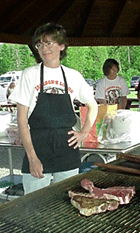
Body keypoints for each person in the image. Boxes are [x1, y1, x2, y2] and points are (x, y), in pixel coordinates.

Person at [9, 22, 98, 195]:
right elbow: (22, 120)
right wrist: (32, 157)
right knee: (35, 205)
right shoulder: (30, 74)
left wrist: (84, 132)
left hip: (67, 150)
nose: (44, 48)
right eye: (40, 44)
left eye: (49, 43)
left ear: (62, 45)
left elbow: (93, 105)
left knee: (66, 202)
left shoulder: (73, 76)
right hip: (37, 148)